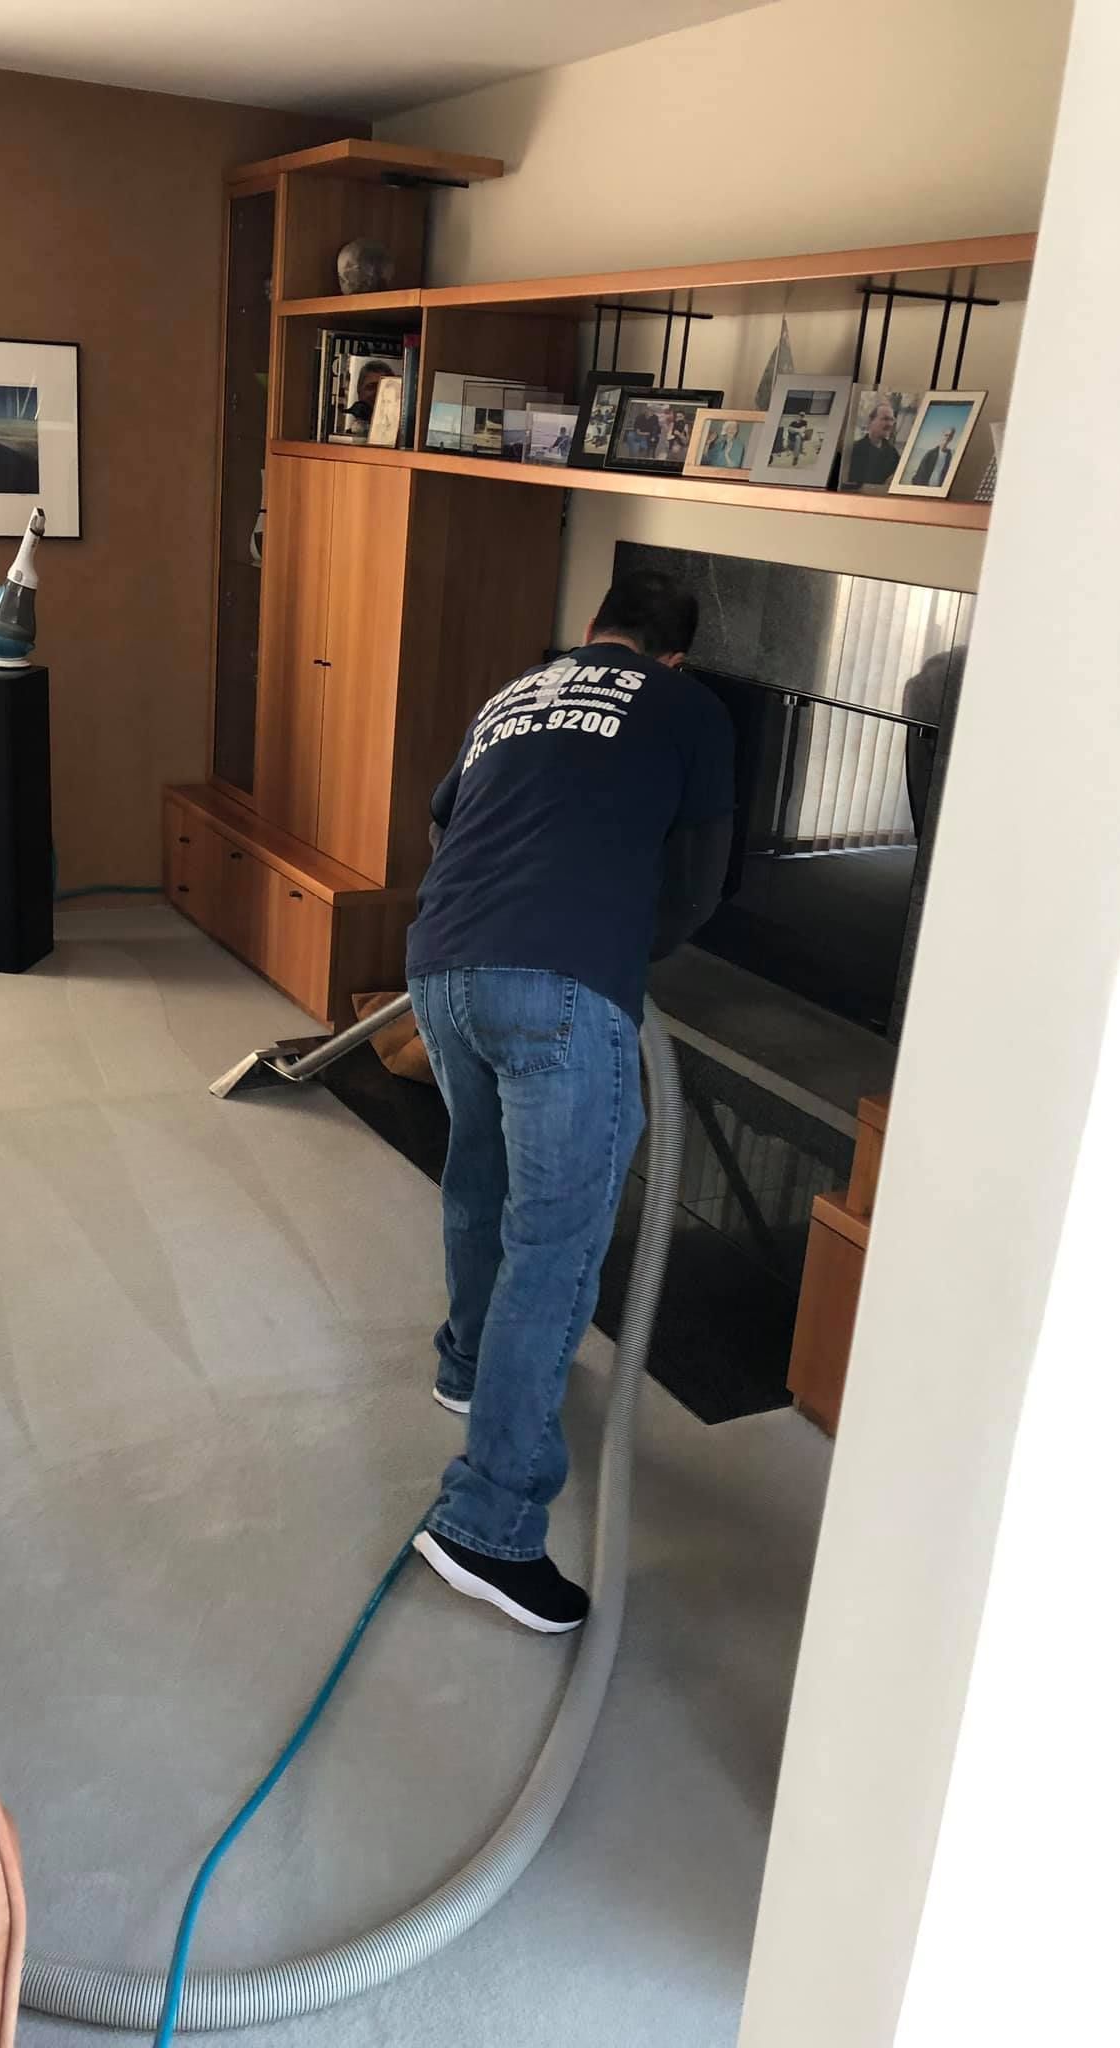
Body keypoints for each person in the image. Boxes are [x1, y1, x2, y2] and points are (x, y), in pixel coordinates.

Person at [405, 569, 736, 1632]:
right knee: (555, 1246)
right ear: (671, 655)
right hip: (562, 986)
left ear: (594, 633)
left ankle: (465, 1363)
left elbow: (444, 819)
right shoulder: (689, 707)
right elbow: (701, 877)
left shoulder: (518, 690)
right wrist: (620, 958)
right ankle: (488, 1527)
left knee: (479, 1177)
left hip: (440, 962)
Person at [844, 396, 902, 488]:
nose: (890, 424)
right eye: (885, 419)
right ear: (871, 420)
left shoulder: (892, 453)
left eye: (892, 420)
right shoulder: (855, 450)